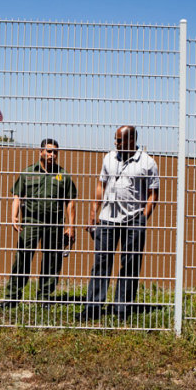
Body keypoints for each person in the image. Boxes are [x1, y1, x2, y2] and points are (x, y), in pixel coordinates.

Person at [77, 125, 160, 321]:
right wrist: (93, 212)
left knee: (130, 264)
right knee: (101, 263)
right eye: (115, 140)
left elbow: (153, 194)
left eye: (120, 140)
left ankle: (122, 308)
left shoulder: (148, 163)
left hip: (133, 220)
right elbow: (101, 185)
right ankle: (93, 308)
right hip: (107, 218)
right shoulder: (109, 158)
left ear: (131, 140)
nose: (116, 143)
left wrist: (142, 218)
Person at [0, 139, 77, 310]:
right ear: (41, 152)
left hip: (54, 224)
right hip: (31, 222)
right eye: (48, 151)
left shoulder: (63, 175)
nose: (52, 155)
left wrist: (71, 226)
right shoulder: (28, 172)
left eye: (55, 152)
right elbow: (17, 195)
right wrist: (14, 215)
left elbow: (70, 201)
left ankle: (44, 297)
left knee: (51, 260)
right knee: (23, 258)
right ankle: (12, 297)